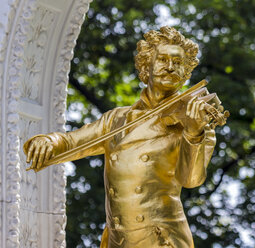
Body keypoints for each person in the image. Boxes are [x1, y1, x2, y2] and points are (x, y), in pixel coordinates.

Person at [23, 26, 217, 248]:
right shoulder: (116, 119)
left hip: (162, 239)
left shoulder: (195, 123)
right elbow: (72, 142)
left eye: (178, 62)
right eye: (163, 59)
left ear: (186, 72)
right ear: (146, 66)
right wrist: (49, 141)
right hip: (119, 239)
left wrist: (193, 133)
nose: (170, 67)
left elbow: (191, 179)